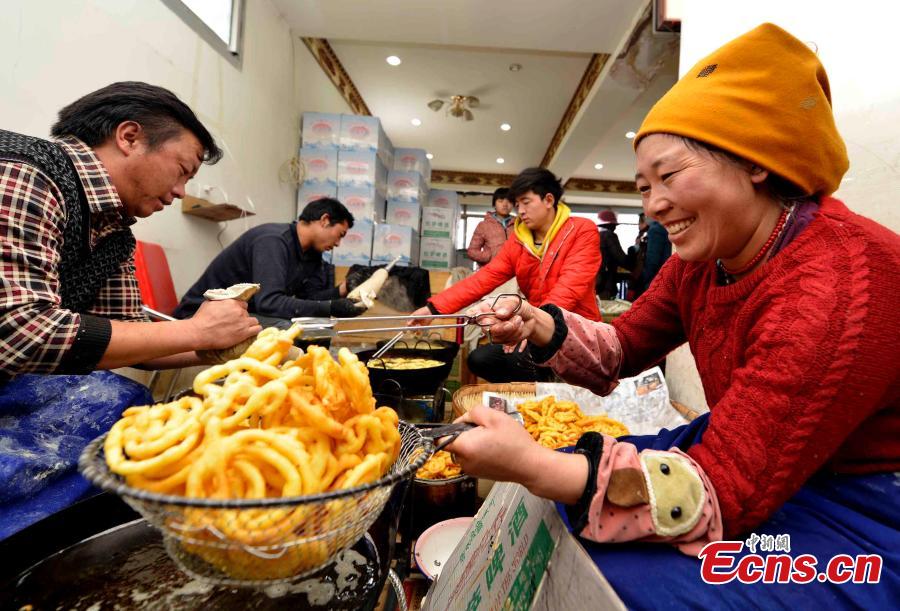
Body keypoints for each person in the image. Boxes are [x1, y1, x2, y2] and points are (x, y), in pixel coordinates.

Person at [449, 24, 899, 606]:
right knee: (575, 477)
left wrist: (532, 465)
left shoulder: (837, 283)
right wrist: (536, 322)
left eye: (670, 175)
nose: (654, 205)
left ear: (755, 161)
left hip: (861, 495)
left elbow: (723, 485)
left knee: (636, 580)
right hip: (754, 453)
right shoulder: (701, 261)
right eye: (643, 186)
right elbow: (624, 347)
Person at [0, 82, 261, 538]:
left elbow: (132, 337)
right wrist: (197, 333)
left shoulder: (114, 231)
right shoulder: (25, 173)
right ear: (129, 137)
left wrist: (226, 346)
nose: (181, 192)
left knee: (130, 408)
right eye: (181, 170)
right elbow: (21, 331)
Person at [409, 167, 600, 383]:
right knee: (480, 359)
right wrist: (433, 309)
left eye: (526, 202)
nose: (520, 210)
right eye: (517, 205)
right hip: (535, 326)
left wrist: (535, 325)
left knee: (520, 360)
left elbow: (570, 287)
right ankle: (527, 396)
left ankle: (541, 399)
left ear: (548, 199)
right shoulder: (519, 241)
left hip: (575, 329)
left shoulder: (581, 230)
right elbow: (485, 277)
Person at [173, 198, 366, 324]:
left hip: (241, 313)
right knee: (286, 328)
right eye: (340, 235)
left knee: (317, 326)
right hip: (199, 314)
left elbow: (307, 299)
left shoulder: (310, 254)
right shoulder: (273, 241)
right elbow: (269, 302)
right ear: (324, 220)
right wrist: (331, 307)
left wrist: (341, 291)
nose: (339, 243)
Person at [466, 187, 514, 267]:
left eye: (509, 201)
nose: (505, 205)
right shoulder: (483, 225)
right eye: (500, 201)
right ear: (494, 204)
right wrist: (488, 256)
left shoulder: (519, 225)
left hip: (514, 272)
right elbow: (471, 251)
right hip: (491, 271)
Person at [595, 209, 630, 299]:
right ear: (611, 225)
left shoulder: (595, 235)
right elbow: (621, 258)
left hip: (594, 279)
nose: (615, 227)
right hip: (605, 282)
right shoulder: (609, 235)